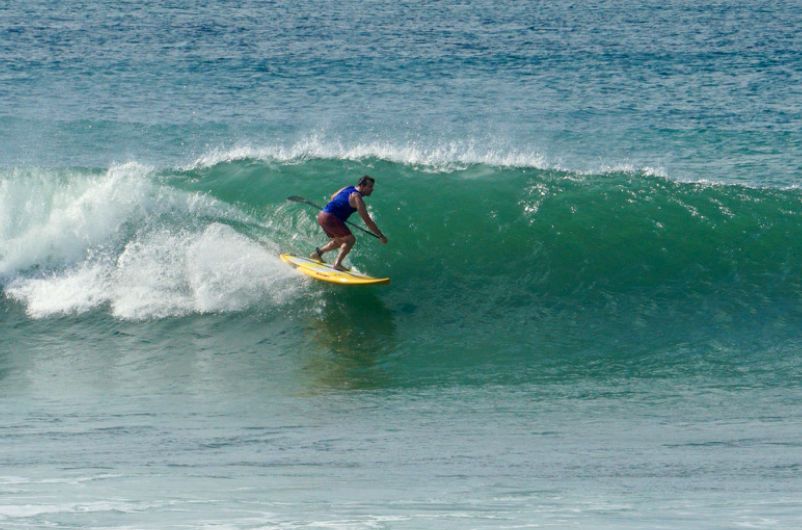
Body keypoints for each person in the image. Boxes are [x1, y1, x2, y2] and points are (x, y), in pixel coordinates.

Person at [311, 175, 388, 271]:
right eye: (370, 187)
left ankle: (317, 254)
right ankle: (337, 264)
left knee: (340, 241)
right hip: (331, 218)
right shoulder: (357, 197)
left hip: (322, 215)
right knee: (350, 240)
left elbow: (333, 197)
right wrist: (380, 235)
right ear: (362, 186)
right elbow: (367, 220)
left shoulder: (348, 188)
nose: (372, 189)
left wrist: (340, 211)